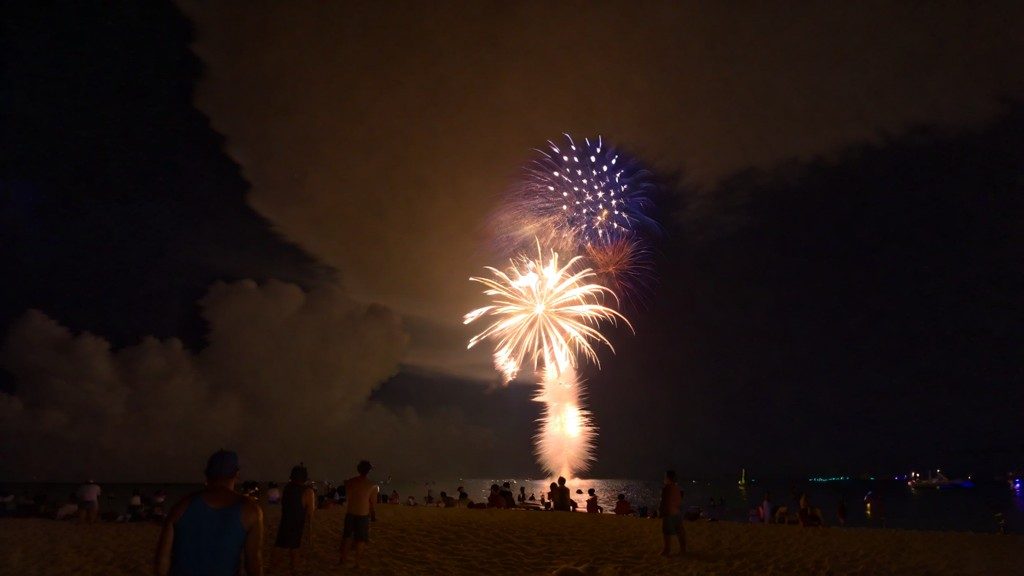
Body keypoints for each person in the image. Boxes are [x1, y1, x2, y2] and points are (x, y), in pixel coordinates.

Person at [154, 450, 263, 576]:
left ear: (207, 474)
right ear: (236, 474)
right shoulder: (251, 511)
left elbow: (162, 559)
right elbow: (253, 561)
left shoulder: (180, 507)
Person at [274, 464, 316, 575]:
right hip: (298, 523)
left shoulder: (287, 488)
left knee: (281, 548)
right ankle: (294, 568)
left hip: (285, 522)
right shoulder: (308, 492)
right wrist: (310, 530)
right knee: (295, 549)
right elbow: (310, 512)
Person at [339, 460, 377, 568]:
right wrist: (373, 515)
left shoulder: (350, 482)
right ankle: (357, 563)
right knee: (361, 540)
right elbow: (372, 503)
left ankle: (343, 560)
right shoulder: (372, 485)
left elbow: (347, 489)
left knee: (347, 537)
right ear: (369, 471)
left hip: (350, 513)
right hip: (363, 514)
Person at [658, 470, 685, 556]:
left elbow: (664, 502)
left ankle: (667, 550)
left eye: (665, 477)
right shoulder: (677, 488)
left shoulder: (666, 488)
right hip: (677, 513)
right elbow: (680, 501)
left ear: (667, 478)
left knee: (666, 532)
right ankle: (683, 549)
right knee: (680, 531)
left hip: (669, 513)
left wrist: (661, 512)